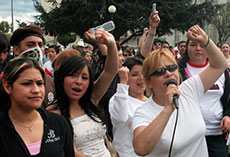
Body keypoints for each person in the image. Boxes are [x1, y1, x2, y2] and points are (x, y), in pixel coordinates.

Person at [132, 25, 227, 156]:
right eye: (159, 71)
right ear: (148, 82)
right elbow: (141, 148)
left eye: (171, 67)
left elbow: (219, 65)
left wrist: (205, 41)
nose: (168, 73)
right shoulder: (143, 112)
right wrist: (167, 109)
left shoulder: (189, 89)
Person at [51, 27, 119, 156]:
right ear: (61, 78)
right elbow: (70, 152)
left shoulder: (91, 99)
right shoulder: (54, 113)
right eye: (73, 75)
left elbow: (111, 70)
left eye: (84, 77)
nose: (78, 81)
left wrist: (110, 44)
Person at [0, 56, 74, 156]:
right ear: (8, 87)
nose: (36, 90)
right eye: (27, 84)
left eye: (39, 83)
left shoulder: (58, 123)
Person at [178, 39, 230, 156]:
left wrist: (228, 115)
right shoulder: (178, 72)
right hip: (190, 136)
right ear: (186, 49)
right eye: (193, 45)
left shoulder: (222, 71)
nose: (198, 48)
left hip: (217, 134)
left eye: (202, 45)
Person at [109, 57, 147, 157]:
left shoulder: (151, 102)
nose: (140, 78)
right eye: (134, 75)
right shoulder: (117, 99)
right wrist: (123, 83)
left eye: (143, 73)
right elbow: (120, 118)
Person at [10, 25, 55, 108]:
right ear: (16, 50)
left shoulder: (49, 80)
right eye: (31, 45)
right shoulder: (8, 79)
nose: (37, 49)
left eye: (40, 45)